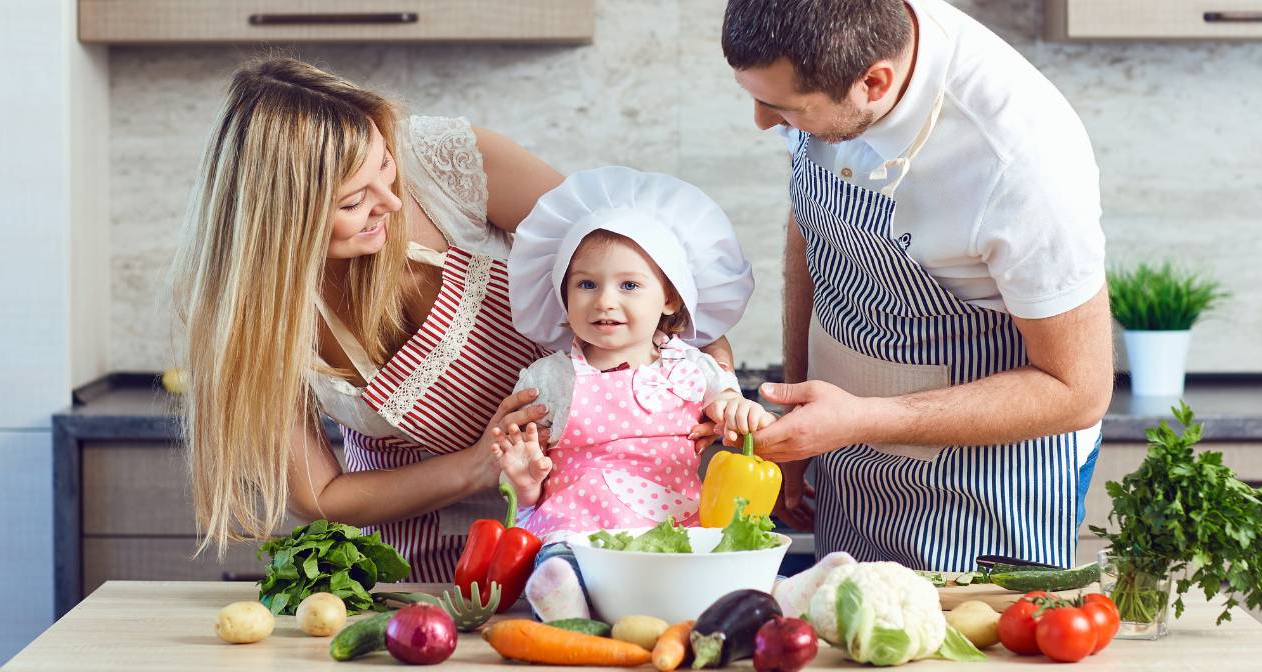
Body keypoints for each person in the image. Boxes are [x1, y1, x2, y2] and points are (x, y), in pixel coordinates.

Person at [168, 58, 732, 582]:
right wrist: (479, 464)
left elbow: (646, 262)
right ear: (280, 219)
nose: (390, 201)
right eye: (352, 201)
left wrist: (719, 389)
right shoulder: (244, 315)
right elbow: (320, 493)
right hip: (411, 525)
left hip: (582, 494)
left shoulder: (444, 165)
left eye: (384, 165)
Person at [722, 0, 1114, 571]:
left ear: (874, 83)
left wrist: (863, 418)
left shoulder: (1020, 163)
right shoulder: (838, 47)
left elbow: (1078, 390)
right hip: (843, 452)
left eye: (780, 107)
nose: (760, 121)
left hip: (985, 489)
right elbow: (810, 224)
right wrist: (797, 403)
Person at [496, 166, 766, 620]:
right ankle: (564, 601)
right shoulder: (549, 379)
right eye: (586, 284)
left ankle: (784, 592)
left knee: (724, 571)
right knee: (558, 559)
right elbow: (518, 471)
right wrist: (522, 481)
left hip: (673, 527)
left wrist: (740, 409)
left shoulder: (695, 368)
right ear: (562, 295)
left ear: (670, 299)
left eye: (629, 285)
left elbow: (732, 413)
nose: (604, 301)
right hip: (579, 528)